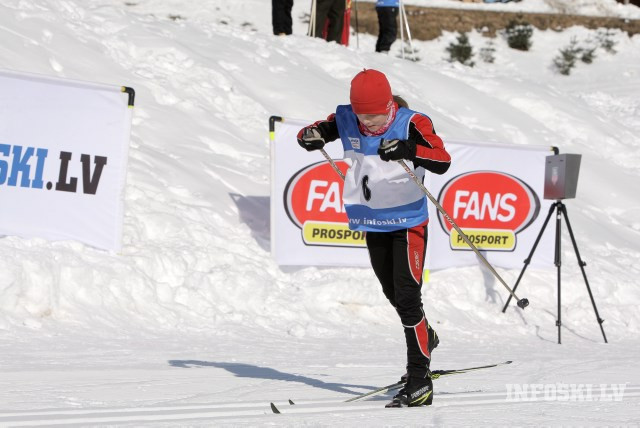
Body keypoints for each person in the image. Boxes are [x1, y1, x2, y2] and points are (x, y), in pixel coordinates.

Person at [296, 69, 451, 407]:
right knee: (393, 293)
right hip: (372, 221)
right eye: (362, 115)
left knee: (408, 298)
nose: (368, 122)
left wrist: (409, 149)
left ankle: (419, 378)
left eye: (375, 115)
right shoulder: (347, 117)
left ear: (388, 105)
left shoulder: (413, 122)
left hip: (409, 223)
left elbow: (442, 160)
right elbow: (313, 131)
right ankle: (427, 336)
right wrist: (309, 136)